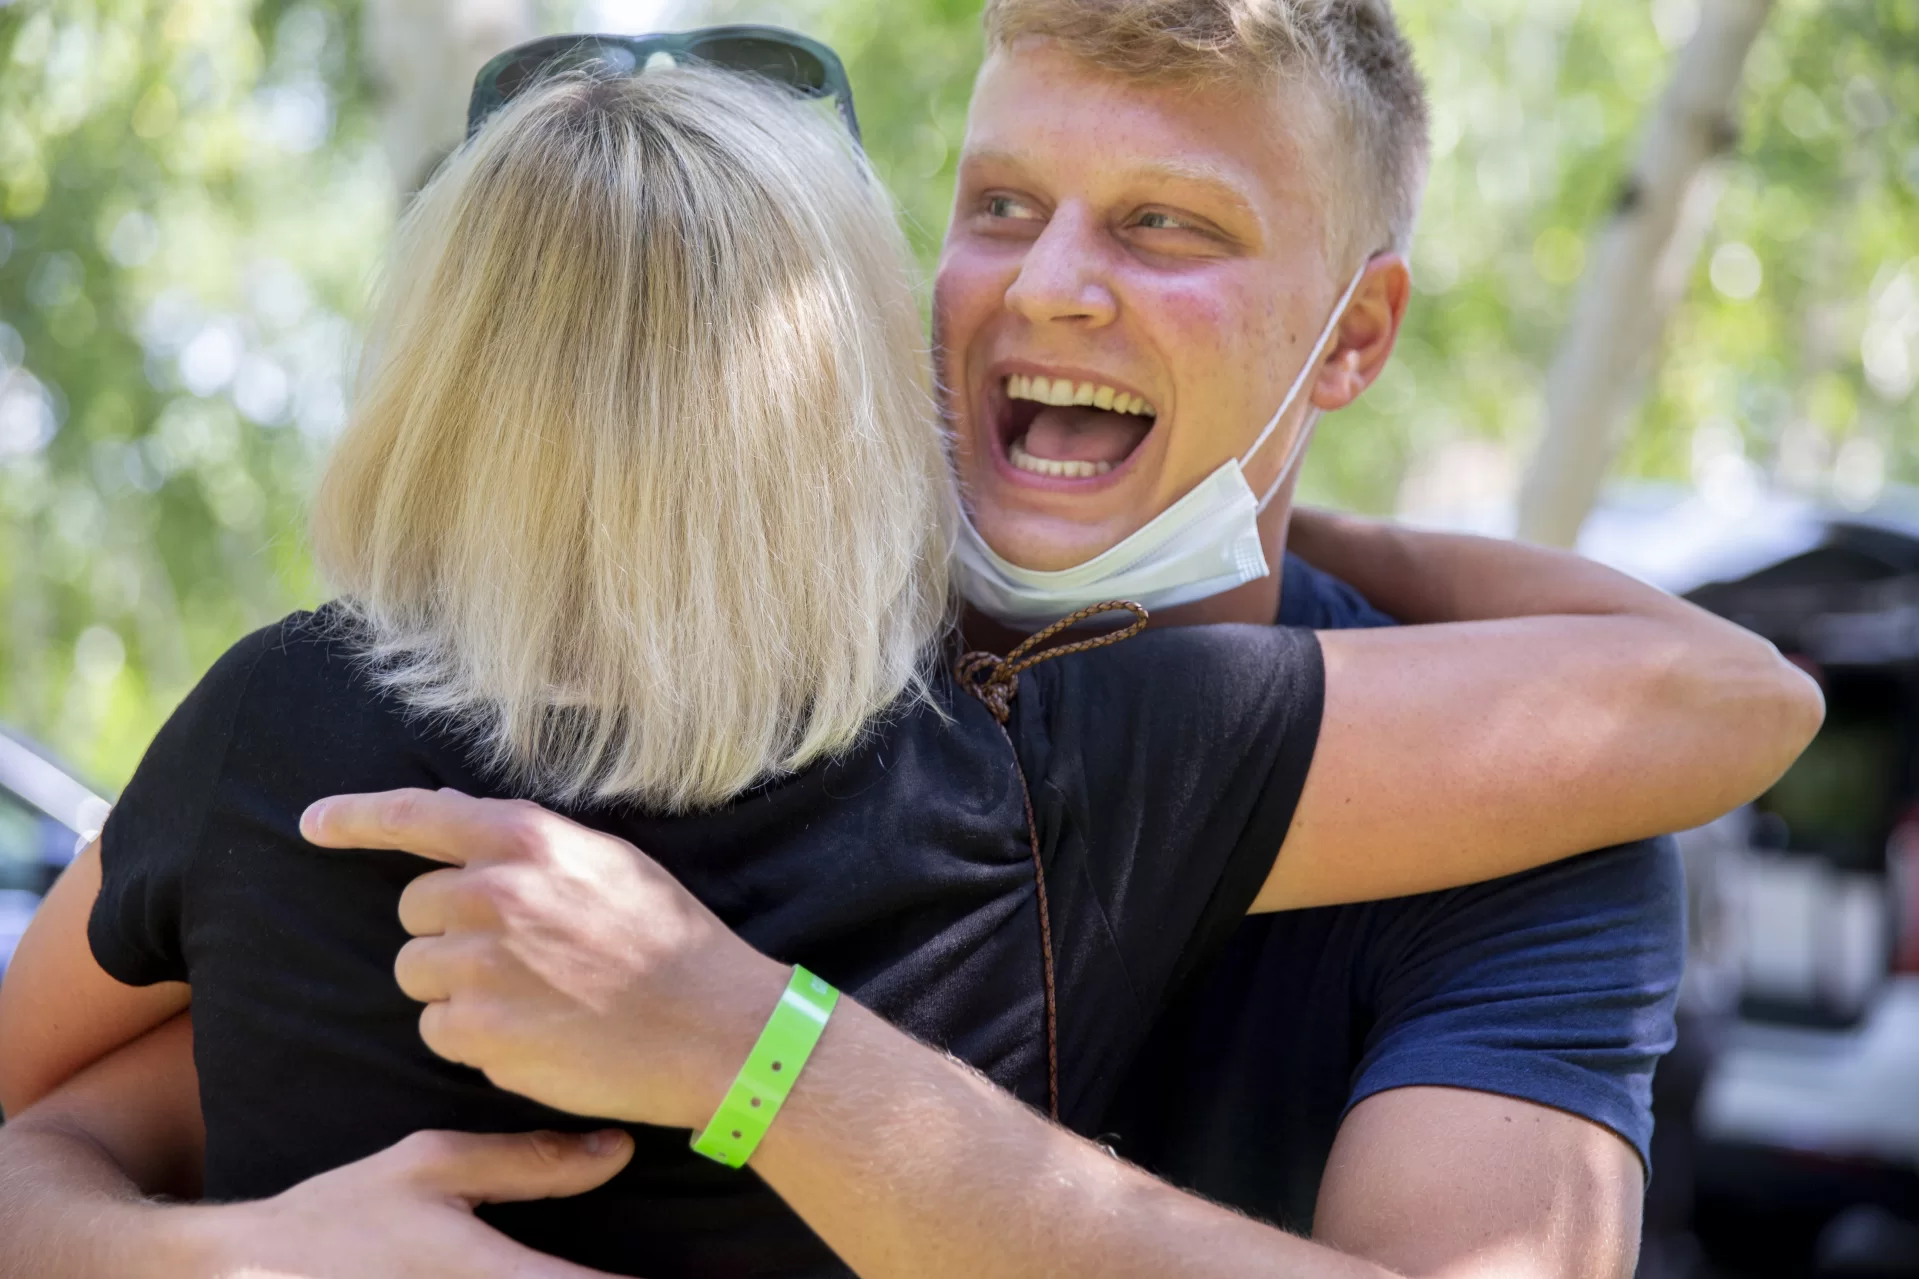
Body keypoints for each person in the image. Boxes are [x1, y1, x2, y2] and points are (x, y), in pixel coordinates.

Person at [0, 10, 1823, 1279]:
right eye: (1001, 207)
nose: (1051, 285)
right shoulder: (690, 708)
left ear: (1349, 345)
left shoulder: (1480, 810)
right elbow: (94, 1127)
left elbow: (1731, 702)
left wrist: (757, 1047)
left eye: (1167, 228)